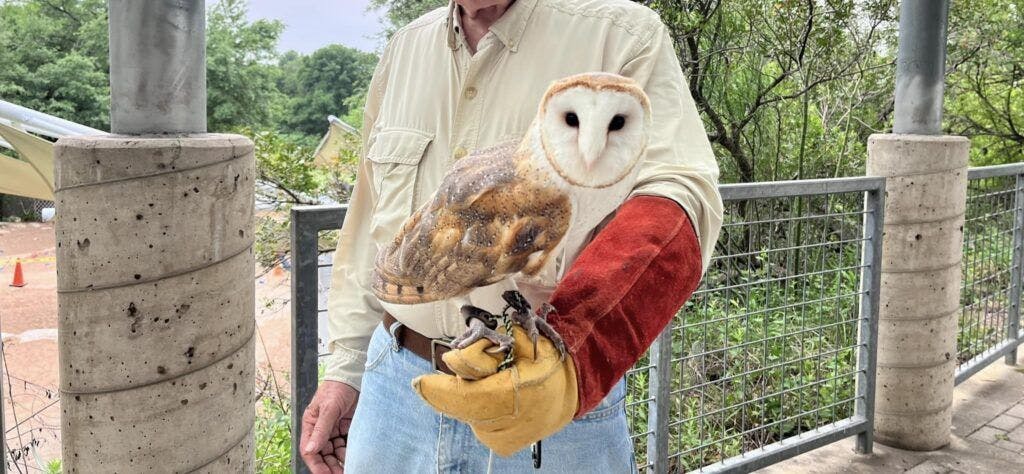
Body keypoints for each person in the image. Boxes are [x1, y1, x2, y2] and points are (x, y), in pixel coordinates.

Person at [300, 0, 723, 472]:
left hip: (547, 397)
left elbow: (679, 200)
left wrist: (581, 356)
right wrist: (346, 371)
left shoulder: (619, 34)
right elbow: (368, 228)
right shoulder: (405, 50)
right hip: (397, 384)